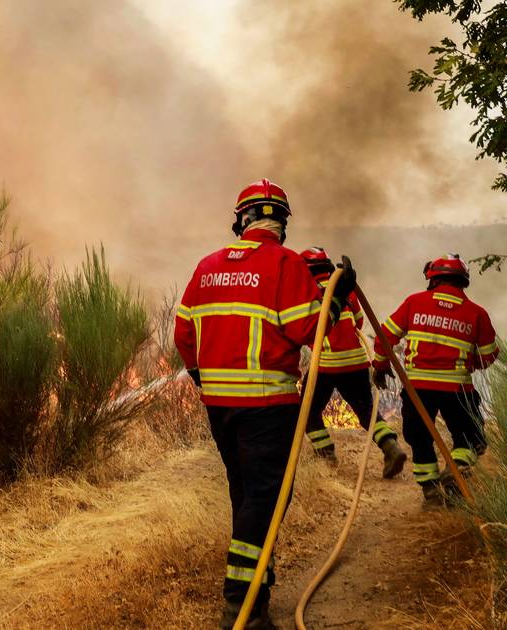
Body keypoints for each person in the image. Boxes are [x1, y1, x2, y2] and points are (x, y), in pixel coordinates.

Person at [175, 179, 355, 630]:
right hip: (267, 404)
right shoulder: (285, 264)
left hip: (219, 406)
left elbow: (183, 333)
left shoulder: (207, 266)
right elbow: (310, 331)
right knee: (266, 500)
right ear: (282, 223)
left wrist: (202, 377)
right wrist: (340, 297)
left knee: (246, 495)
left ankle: (257, 586)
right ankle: (241, 605)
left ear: (242, 219)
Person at [372, 254, 498, 506]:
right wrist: (469, 362)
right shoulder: (477, 313)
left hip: (418, 387)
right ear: (463, 282)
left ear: (433, 279)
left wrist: (380, 365)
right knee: (472, 438)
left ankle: (430, 492)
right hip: (458, 388)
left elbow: (384, 336)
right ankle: (457, 468)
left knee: (420, 438)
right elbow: (489, 355)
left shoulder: (414, 302)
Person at [298, 247, 407, 478]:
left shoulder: (307, 293)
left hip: (325, 363)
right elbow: (358, 323)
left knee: (306, 411)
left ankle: (325, 456)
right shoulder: (346, 290)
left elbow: (303, 329)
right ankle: (390, 446)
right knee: (366, 411)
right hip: (357, 362)